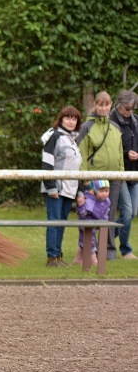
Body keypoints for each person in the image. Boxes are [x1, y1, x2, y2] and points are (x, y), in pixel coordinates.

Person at [76, 91, 124, 260]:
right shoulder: (86, 127)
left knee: (108, 216)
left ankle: (108, 252)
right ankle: (88, 252)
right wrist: (85, 179)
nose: (104, 108)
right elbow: (81, 154)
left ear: (111, 105)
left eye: (107, 105)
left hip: (113, 179)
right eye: (100, 105)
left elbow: (119, 153)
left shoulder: (116, 128)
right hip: (94, 179)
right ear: (95, 105)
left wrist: (121, 175)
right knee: (89, 217)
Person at [40, 105, 83, 266]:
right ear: (61, 119)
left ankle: (58, 255)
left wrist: (79, 191)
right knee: (54, 222)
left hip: (70, 189)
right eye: (68, 118)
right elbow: (47, 163)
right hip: (56, 188)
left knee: (62, 223)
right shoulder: (54, 136)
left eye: (74, 119)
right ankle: (51, 257)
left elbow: (74, 168)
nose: (71, 121)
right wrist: (51, 187)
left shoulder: (72, 139)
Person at [109, 90, 138, 260]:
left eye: (133, 108)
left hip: (135, 173)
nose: (130, 112)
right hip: (120, 172)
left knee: (133, 212)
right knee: (126, 211)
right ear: (119, 105)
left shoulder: (136, 121)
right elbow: (112, 147)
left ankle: (106, 237)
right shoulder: (112, 121)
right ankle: (126, 250)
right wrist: (127, 154)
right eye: (127, 108)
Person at [74, 180, 112, 267]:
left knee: (83, 241)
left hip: (95, 224)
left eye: (106, 191)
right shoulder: (89, 200)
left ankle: (78, 259)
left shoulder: (106, 201)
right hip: (86, 225)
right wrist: (81, 204)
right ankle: (94, 260)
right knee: (90, 242)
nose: (104, 194)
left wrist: (104, 222)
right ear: (95, 191)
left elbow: (105, 212)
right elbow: (82, 212)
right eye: (101, 191)